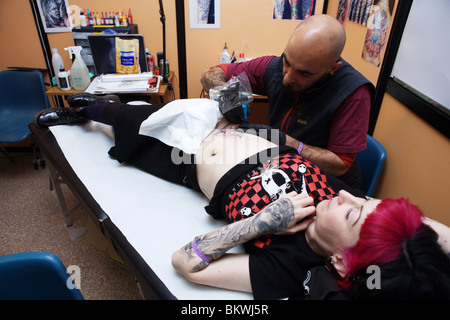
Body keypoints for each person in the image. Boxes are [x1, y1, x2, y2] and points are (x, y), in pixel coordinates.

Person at [34, 97, 450, 299]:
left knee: (129, 124)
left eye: (353, 215)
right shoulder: (355, 213)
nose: (350, 198)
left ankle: (84, 113)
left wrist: (264, 222)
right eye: (365, 202)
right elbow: (437, 237)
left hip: (188, 161)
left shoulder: (290, 264)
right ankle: (91, 107)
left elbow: (186, 262)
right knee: (158, 109)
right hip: (252, 137)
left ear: (341, 261)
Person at [201, 14, 374, 190]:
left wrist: (289, 143)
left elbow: (340, 164)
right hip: (284, 168)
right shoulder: (275, 67)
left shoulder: (353, 93)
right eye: (287, 62)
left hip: (330, 188)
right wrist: (226, 95)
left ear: (332, 68)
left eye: (304, 73)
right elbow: (212, 74)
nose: (288, 77)